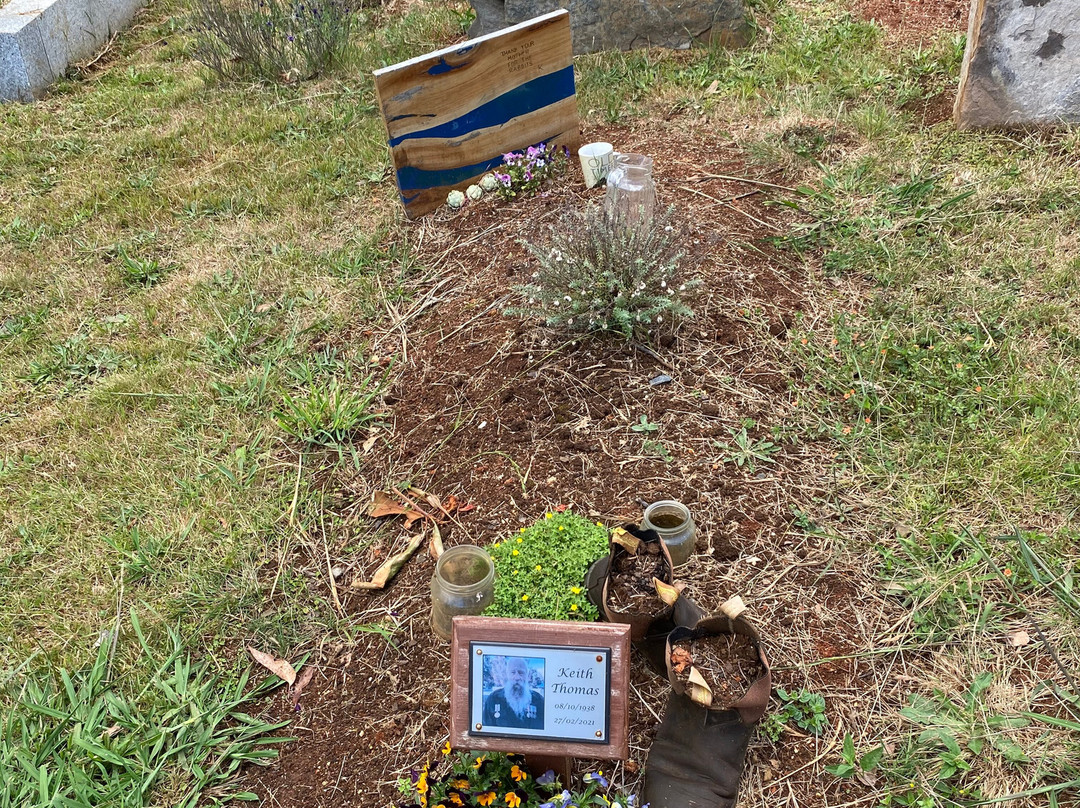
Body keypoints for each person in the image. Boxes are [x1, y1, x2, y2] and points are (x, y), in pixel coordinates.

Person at [482, 657, 544, 729]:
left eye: (521, 673)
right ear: (507, 674)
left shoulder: (538, 700)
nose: (517, 677)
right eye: (513, 672)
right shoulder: (493, 699)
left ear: (528, 675)